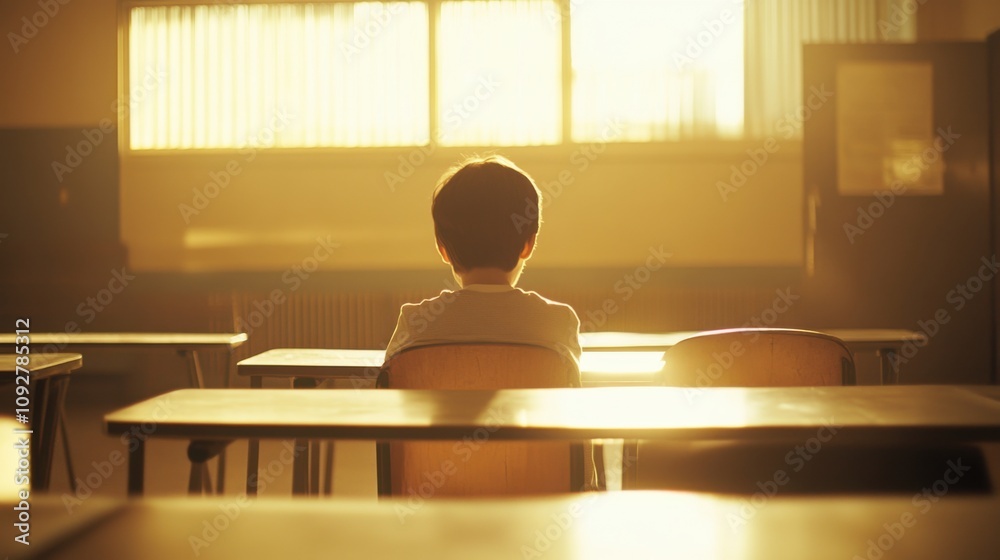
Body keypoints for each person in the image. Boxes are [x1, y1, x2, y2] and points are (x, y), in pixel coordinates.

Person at [385, 154, 582, 369]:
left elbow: (392, 391)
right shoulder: (558, 322)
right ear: (529, 244)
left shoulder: (414, 322)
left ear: (442, 250)